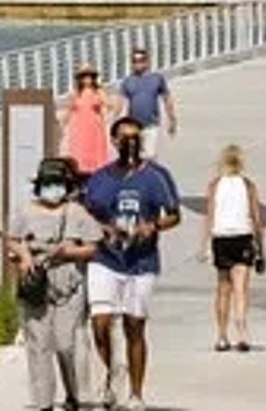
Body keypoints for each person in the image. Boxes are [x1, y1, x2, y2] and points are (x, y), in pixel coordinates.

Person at [83, 117, 182, 411]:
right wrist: (104, 228)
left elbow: (174, 214)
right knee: (100, 323)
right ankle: (112, 374)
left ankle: (136, 393)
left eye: (136, 138)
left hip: (142, 261)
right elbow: (87, 212)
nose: (131, 143)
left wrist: (153, 226)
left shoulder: (157, 175)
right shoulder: (99, 178)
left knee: (134, 326)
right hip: (106, 258)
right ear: (114, 141)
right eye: (125, 138)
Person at [7, 157, 103, 411]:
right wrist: (26, 256)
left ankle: (73, 392)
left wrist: (70, 253)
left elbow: (93, 247)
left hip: (69, 285)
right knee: (38, 346)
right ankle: (43, 402)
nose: (54, 189)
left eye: (58, 184)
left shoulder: (77, 212)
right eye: (49, 184)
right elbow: (13, 239)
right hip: (37, 283)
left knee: (65, 344)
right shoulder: (25, 211)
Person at [199, 144, 265, 353]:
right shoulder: (248, 185)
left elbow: (210, 216)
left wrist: (206, 244)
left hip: (221, 237)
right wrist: (261, 247)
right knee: (241, 289)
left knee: (223, 289)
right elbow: (256, 218)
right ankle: (242, 333)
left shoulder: (214, 185)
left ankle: (221, 335)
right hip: (242, 236)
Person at [116, 47, 177, 160]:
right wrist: (117, 123)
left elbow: (166, 98)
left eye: (141, 60)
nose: (138, 64)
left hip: (151, 124)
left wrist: (172, 119)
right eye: (135, 61)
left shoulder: (157, 78)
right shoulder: (127, 81)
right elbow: (121, 103)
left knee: (150, 155)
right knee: (134, 157)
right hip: (133, 126)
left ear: (147, 62)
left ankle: (150, 175)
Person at [60, 63, 114, 177]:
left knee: (96, 151)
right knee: (80, 151)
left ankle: (96, 175)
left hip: (94, 127)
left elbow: (110, 104)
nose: (87, 79)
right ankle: (81, 174)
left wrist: (104, 109)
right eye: (84, 76)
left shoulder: (98, 91)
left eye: (89, 76)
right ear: (80, 79)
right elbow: (69, 109)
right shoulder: (76, 93)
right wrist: (62, 125)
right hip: (79, 128)